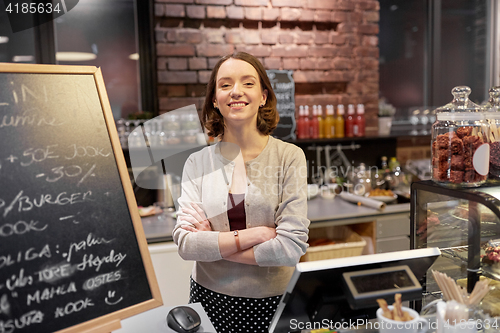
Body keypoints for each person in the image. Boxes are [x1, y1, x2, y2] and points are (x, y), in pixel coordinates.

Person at [172, 52, 309, 333]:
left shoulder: (289, 157)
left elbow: (290, 249)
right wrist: (255, 235)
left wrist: (213, 244)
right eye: (225, 85)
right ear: (214, 99)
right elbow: (186, 244)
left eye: (248, 83)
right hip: (208, 300)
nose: (236, 91)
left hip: (273, 302)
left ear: (263, 96)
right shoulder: (197, 163)